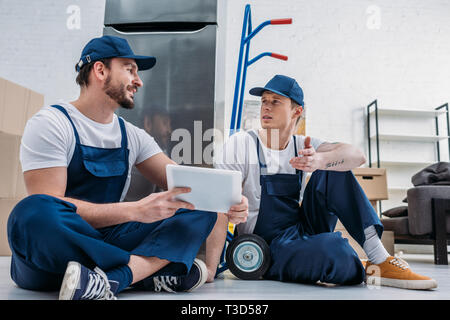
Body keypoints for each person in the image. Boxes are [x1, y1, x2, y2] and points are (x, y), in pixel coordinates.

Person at [7, 35, 248, 300]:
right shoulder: (52, 124)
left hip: (109, 240)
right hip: (55, 255)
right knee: (31, 212)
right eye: (129, 69)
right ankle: (142, 272)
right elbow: (51, 206)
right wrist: (136, 210)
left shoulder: (131, 135)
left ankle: (113, 279)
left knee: (199, 209)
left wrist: (229, 201)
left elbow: (186, 186)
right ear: (100, 70)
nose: (139, 80)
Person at [214, 74, 437, 290]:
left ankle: (380, 259)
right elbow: (218, 204)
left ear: (296, 111)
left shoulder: (304, 144)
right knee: (336, 250)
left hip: (301, 230)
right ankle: (348, 262)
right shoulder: (242, 143)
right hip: (266, 246)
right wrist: (210, 267)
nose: (266, 107)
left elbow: (357, 156)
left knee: (335, 166)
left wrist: (320, 160)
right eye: (264, 101)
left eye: (275, 101)